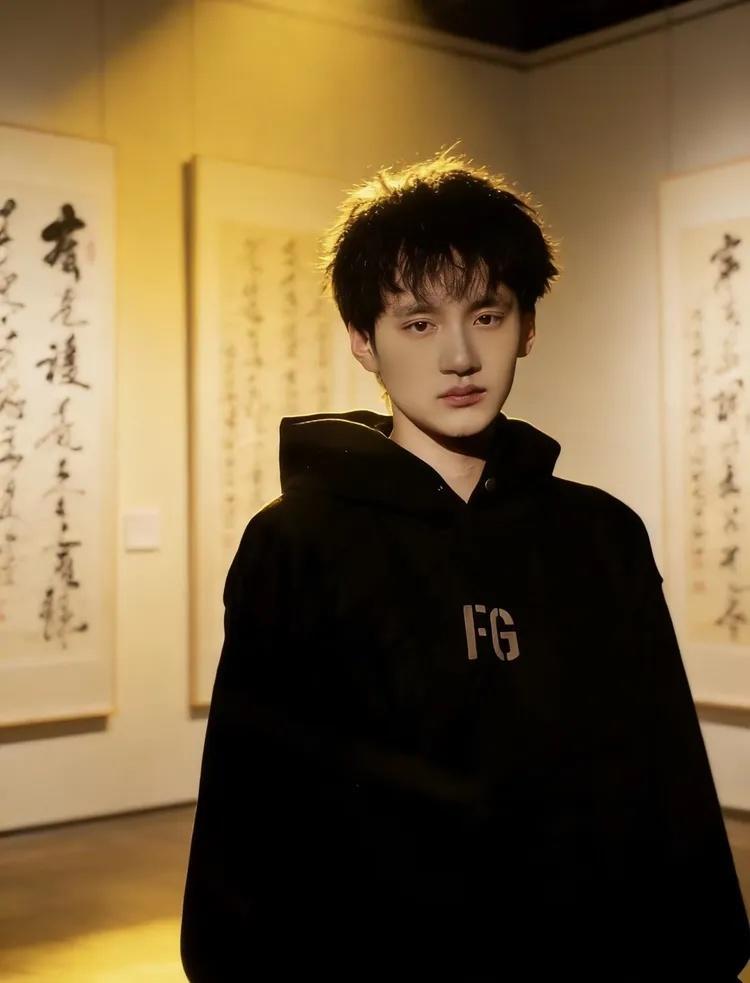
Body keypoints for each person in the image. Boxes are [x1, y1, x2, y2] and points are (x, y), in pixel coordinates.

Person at [180, 149, 749, 981]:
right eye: (418, 323)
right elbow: (251, 801)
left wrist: (706, 951)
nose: (459, 356)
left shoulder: (600, 534)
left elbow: (664, 772)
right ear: (363, 341)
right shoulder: (297, 541)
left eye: (486, 315)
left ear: (528, 326)